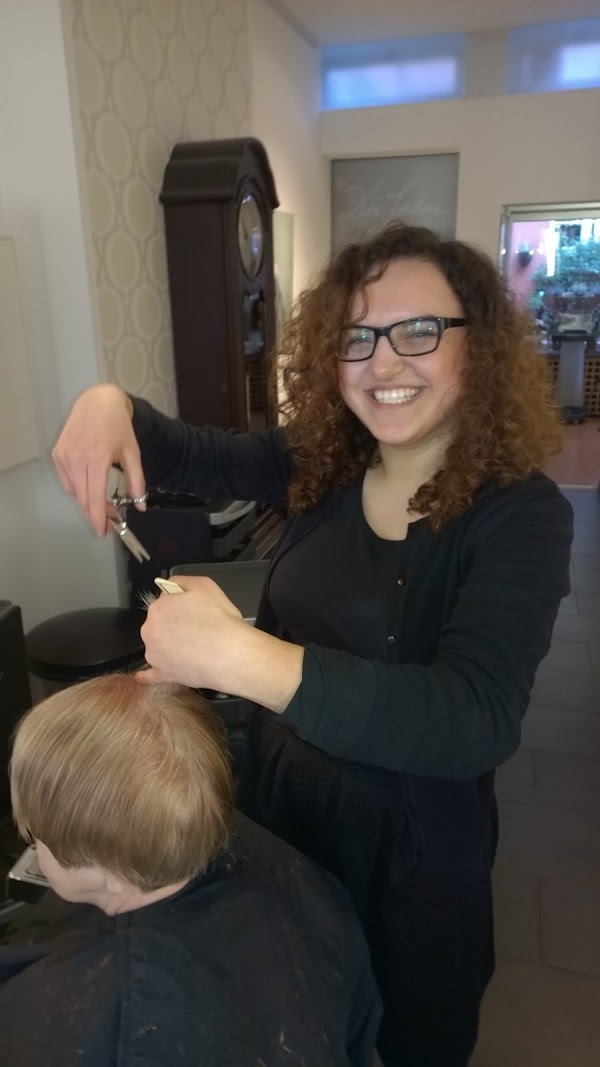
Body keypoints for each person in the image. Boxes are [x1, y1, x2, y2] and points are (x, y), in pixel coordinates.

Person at [52, 222, 574, 1067]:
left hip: (410, 859)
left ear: (477, 345)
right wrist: (108, 404)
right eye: (356, 337)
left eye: (418, 330)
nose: (383, 362)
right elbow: (194, 454)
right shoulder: (325, 462)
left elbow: (472, 717)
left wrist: (238, 656)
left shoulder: (522, 514)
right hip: (282, 811)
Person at [0, 674, 380, 1067]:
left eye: (37, 838)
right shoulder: (286, 869)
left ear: (118, 873)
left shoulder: (113, 1026)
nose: (34, 847)